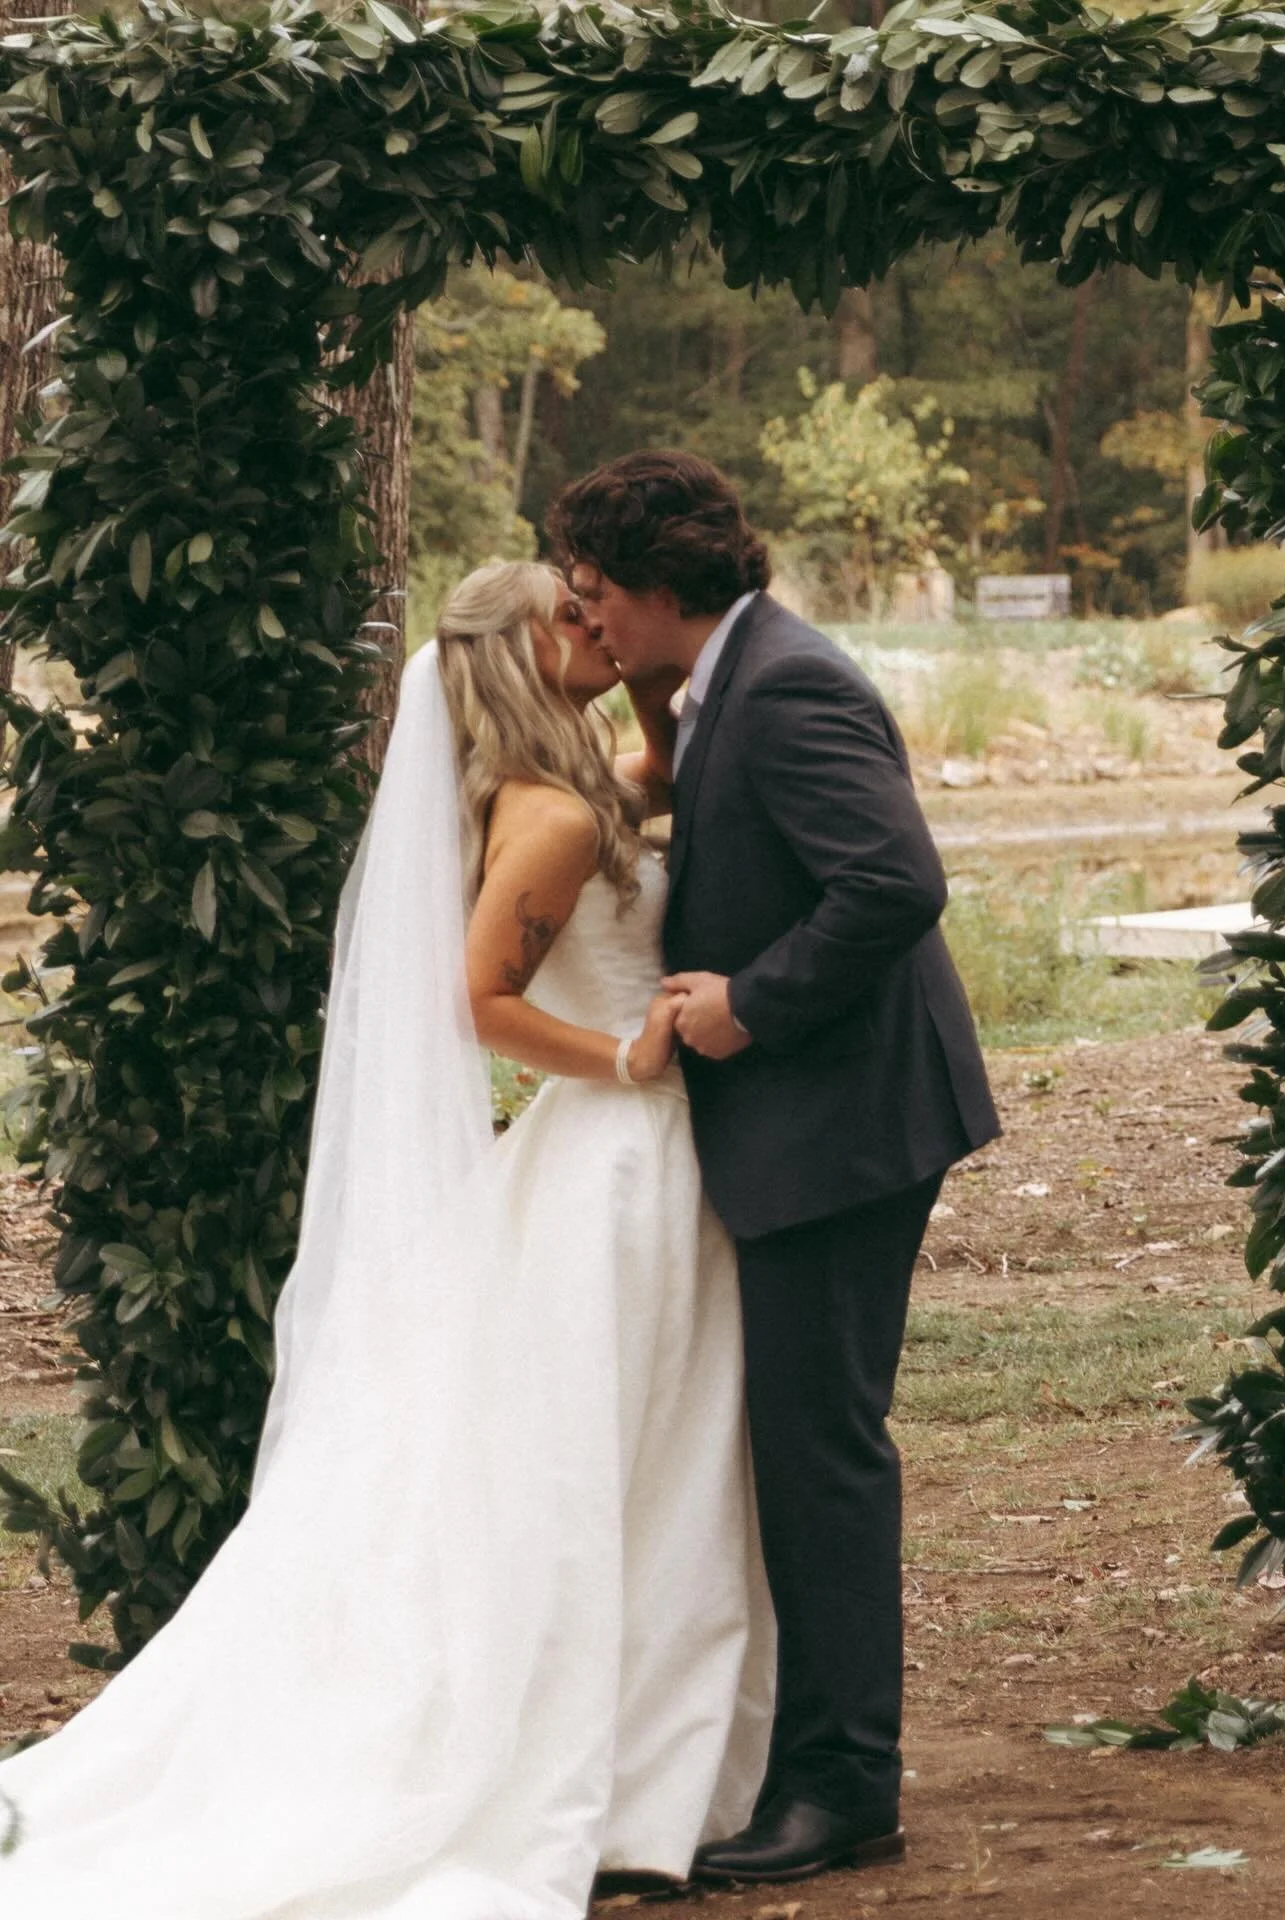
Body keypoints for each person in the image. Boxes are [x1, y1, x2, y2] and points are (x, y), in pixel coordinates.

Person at [0, 561, 772, 1918]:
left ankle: (659, 1757)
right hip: (611, 1153)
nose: (589, 624)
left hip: (634, 1156)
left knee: (652, 1448)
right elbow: (478, 1000)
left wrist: (669, 676)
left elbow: (660, 772)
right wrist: (625, 1055)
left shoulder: (581, 780)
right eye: (567, 614)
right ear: (515, 654)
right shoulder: (544, 819)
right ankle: (601, 1763)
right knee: (599, 1456)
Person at [550, 452, 1001, 1887]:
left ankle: (843, 1788)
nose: (586, 612)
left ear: (666, 587)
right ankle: (803, 1760)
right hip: (822, 1114)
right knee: (801, 1443)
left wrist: (747, 1001)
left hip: (848, 1120)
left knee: (822, 1450)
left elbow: (895, 881)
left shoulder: (793, 684)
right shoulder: (722, 672)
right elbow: (697, 783)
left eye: (601, 590)